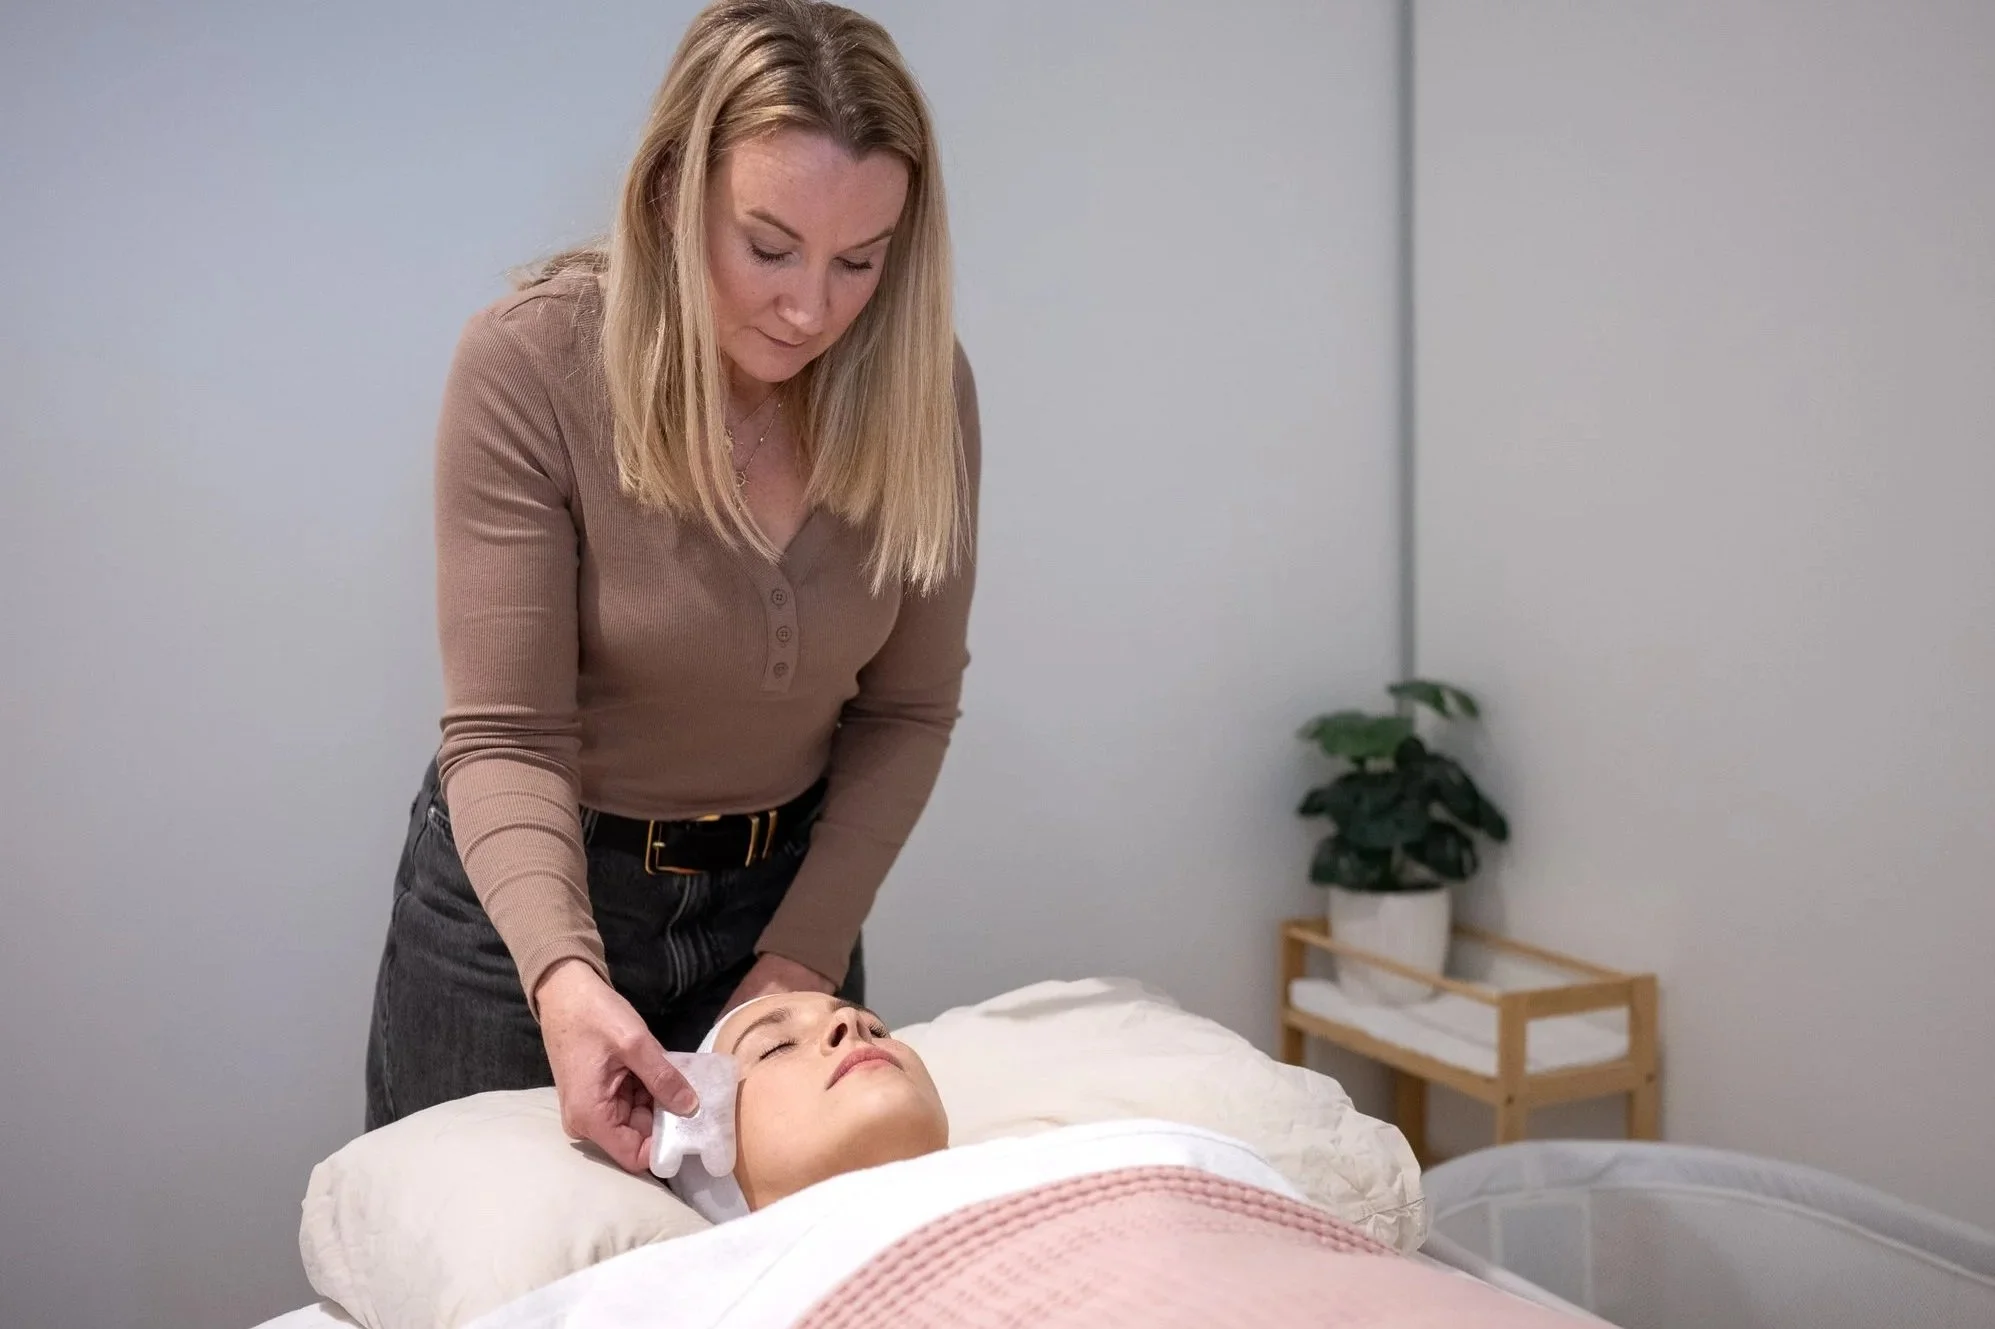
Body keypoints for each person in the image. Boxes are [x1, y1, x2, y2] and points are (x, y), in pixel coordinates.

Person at [364, 0, 979, 1179]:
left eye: (860, 261)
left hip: (788, 906)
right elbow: (504, 734)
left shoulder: (921, 391)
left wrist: (801, 955)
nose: (811, 307)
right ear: (668, 191)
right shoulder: (532, 365)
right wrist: (563, 975)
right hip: (532, 909)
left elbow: (906, 711)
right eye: (767, 246)